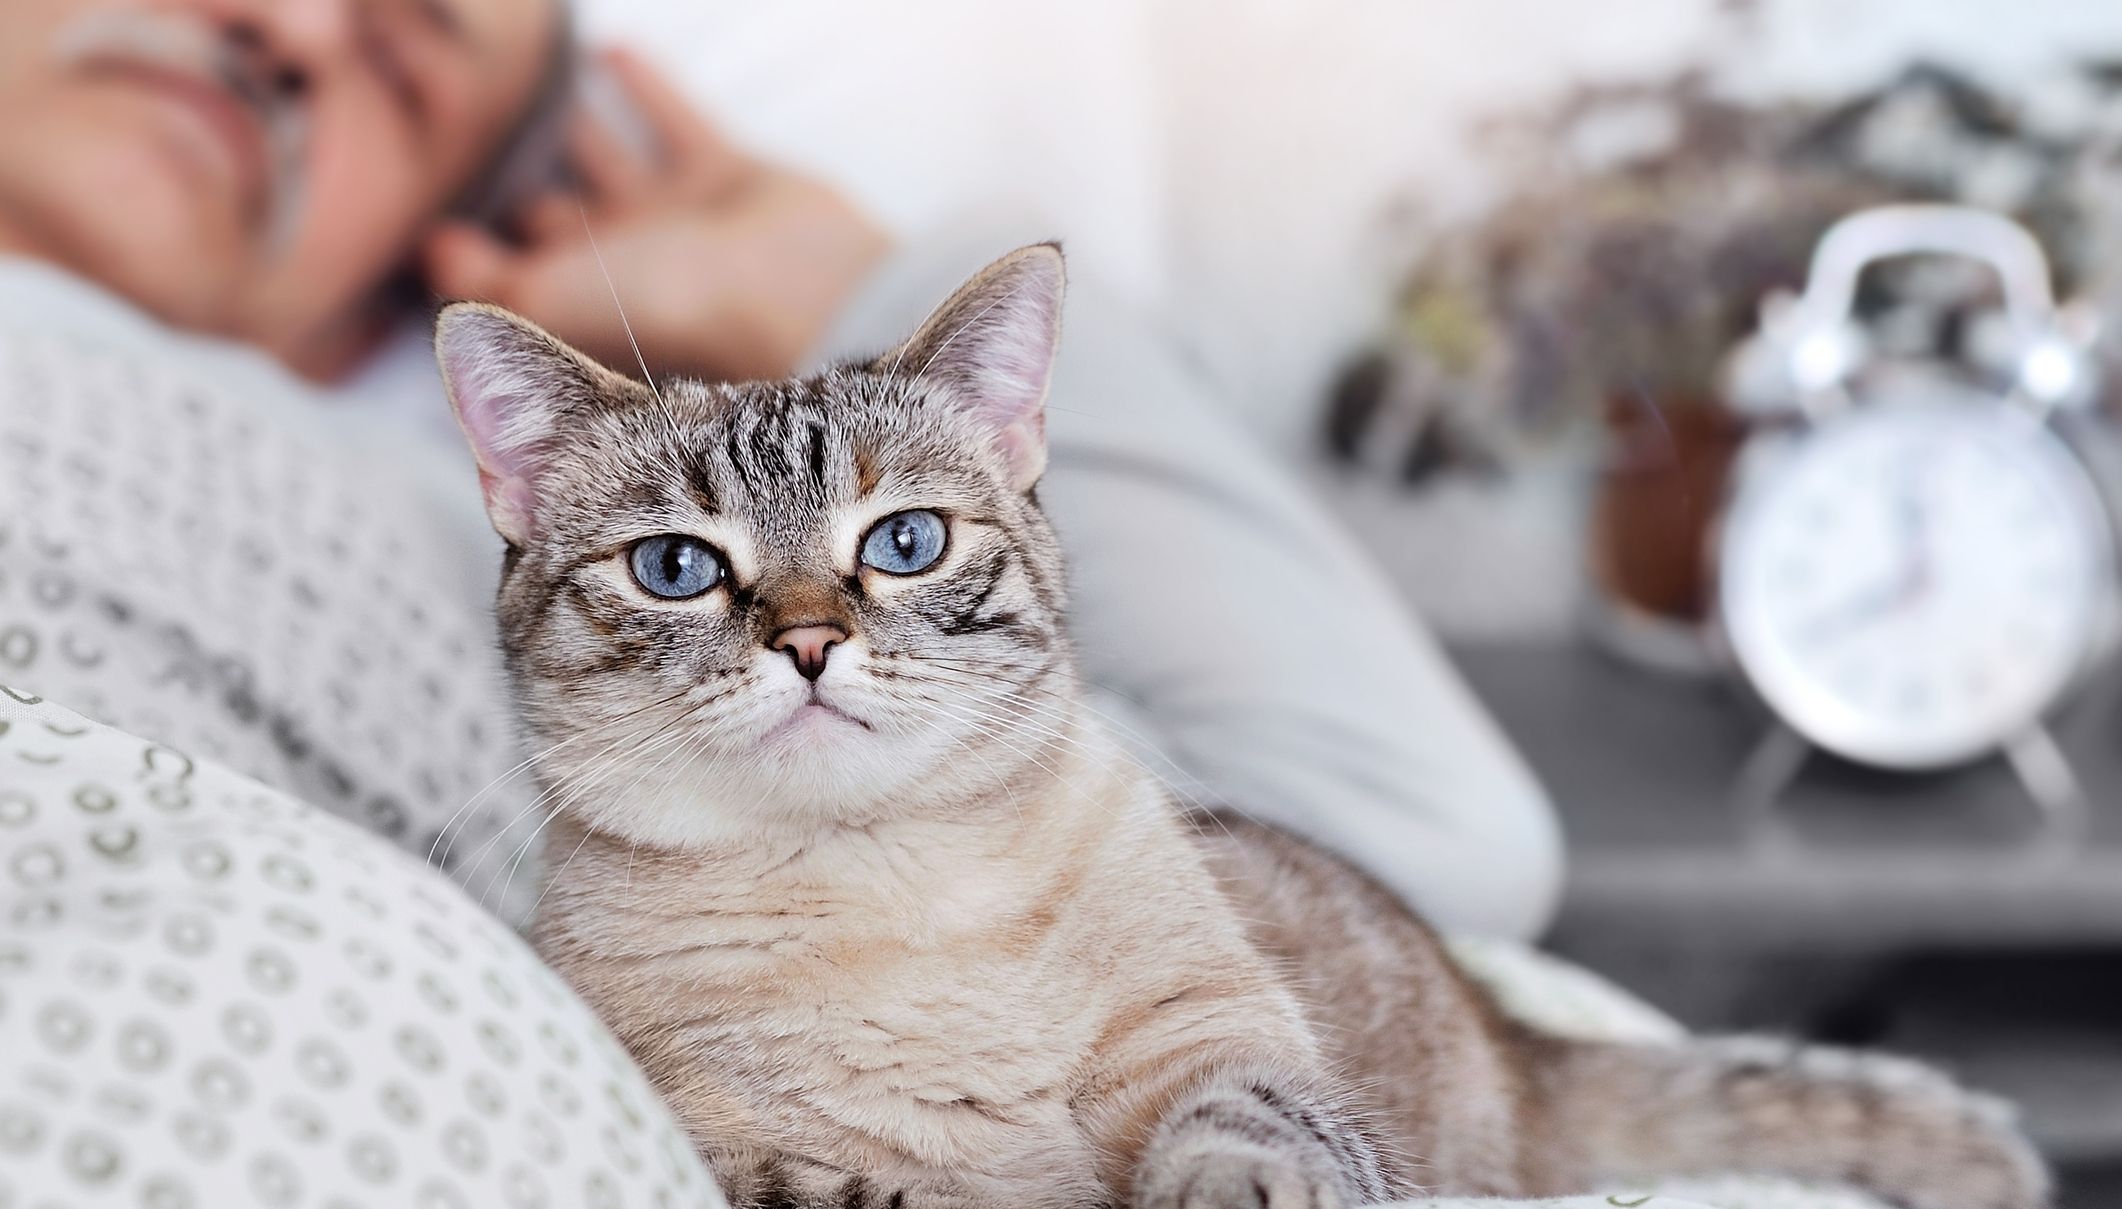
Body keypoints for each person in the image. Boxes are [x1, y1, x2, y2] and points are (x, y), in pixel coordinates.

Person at [0, 0, 1561, 944]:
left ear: (392, 297)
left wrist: (868, 300)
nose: (292, 28)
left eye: (399, 76)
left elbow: (1409, 846)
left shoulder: (500, 569)